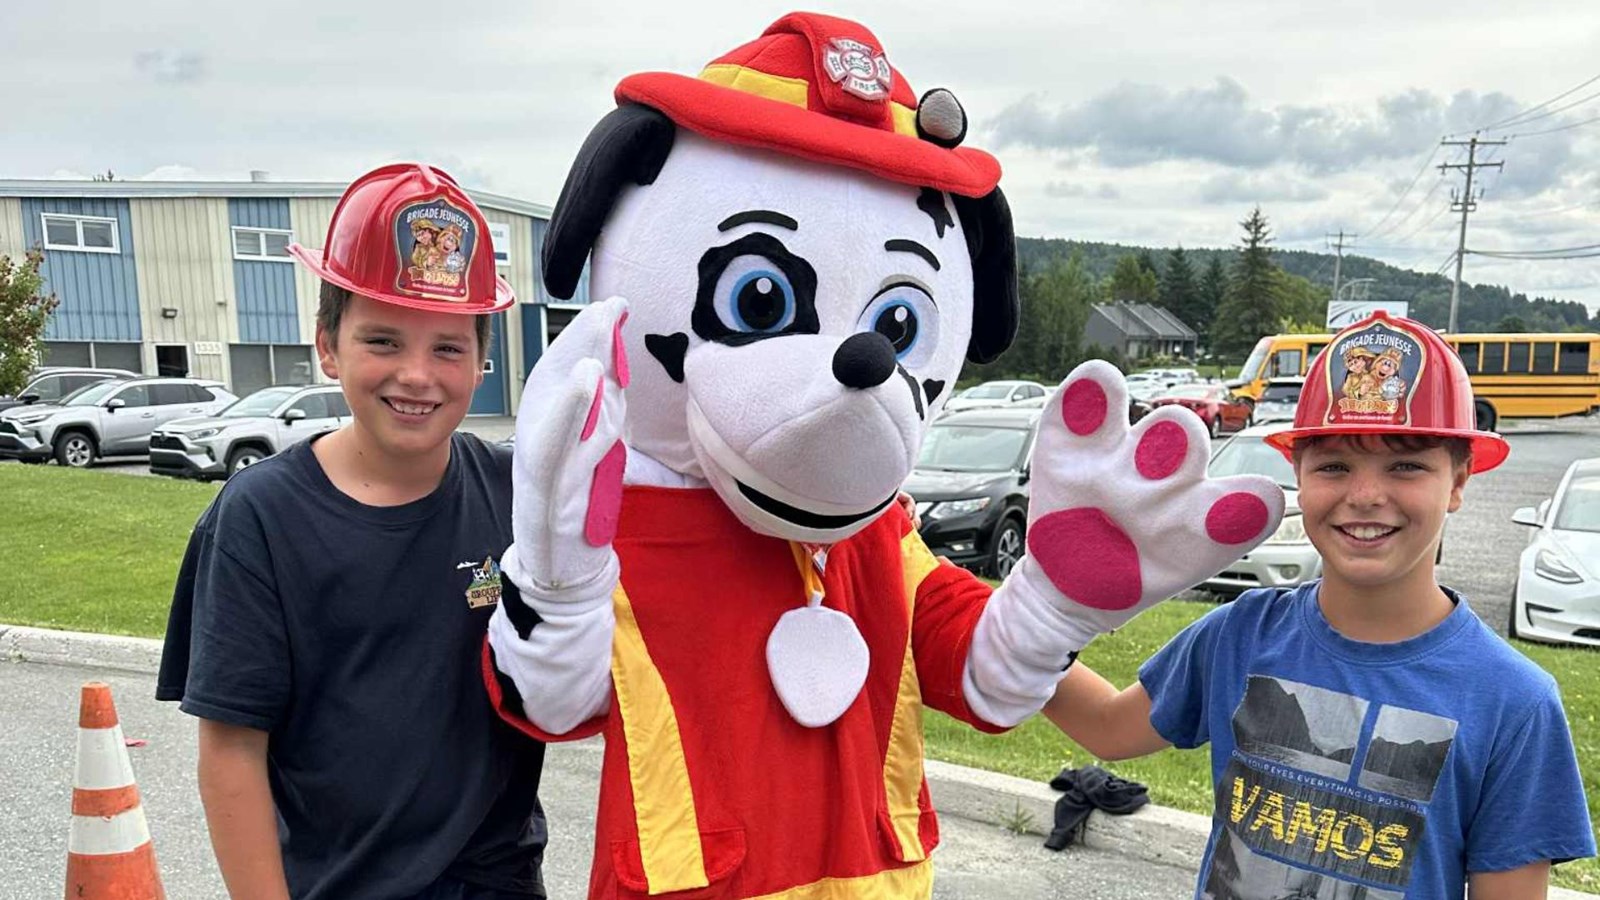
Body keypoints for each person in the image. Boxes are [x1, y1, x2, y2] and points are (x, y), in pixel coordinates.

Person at [1043, 311, 1594, 899]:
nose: (1365, 496)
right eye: (1334, 465)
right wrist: (1013, 621)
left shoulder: (1515, 702)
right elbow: (1108, 728)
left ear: (1458, 481)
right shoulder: (1241, 635)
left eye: (1406, 465)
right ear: (1297, 474)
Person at [156, 162, 545, 900]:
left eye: (448, 348)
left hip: (501, 884)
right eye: (384, 341)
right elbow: (232, 749)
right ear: (328, 346)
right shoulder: (261, 517)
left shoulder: (515, 493)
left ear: (482, 359)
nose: (417, 375)